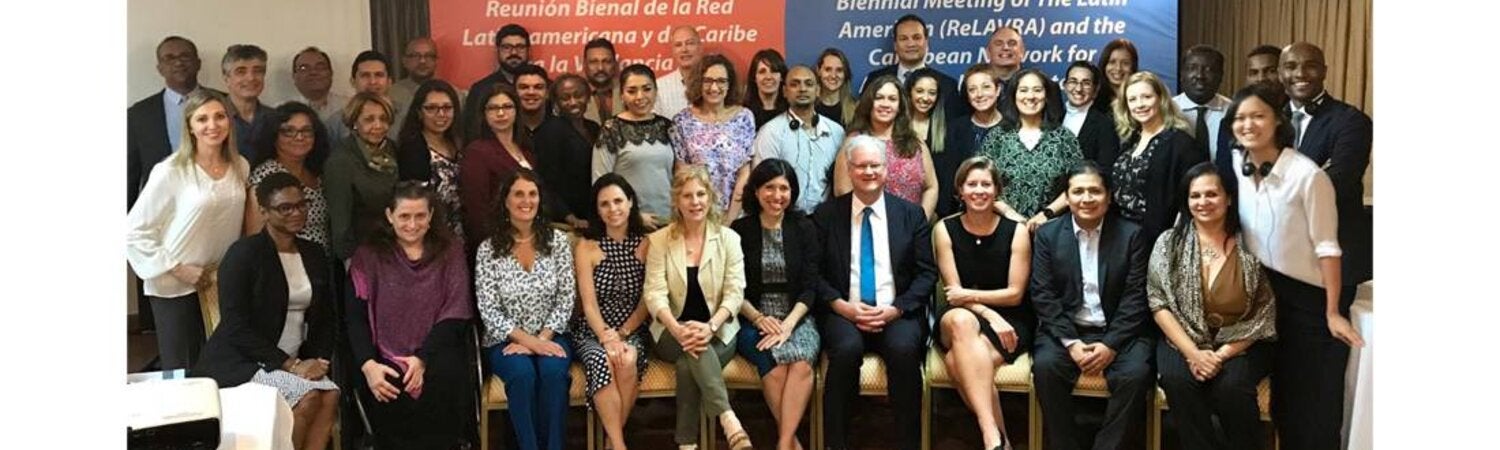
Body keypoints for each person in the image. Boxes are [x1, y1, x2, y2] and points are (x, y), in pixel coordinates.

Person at [1226, 82, 1363, 450]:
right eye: (1240, 118)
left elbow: (1328, 246)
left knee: (1311, 408)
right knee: (1281, 403)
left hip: (1309, 300)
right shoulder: (1239, 165)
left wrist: (1332, 312)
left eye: (1258, 116)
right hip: (1265, 293)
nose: (1248, 124)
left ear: (1277, 120)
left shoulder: (1308, 176)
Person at [194, 173, 339, 450]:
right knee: (307, 397)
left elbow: (325, 317)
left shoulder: (313, 253)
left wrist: (319, 361)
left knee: (330, 396)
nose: (296, 212)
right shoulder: (244, 254)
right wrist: (291, 365)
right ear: (264, 211)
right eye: (285, 208)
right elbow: (235, 326)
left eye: (302, 204)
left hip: (297, 359)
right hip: (244, 361)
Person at [812, 135, 936, 450]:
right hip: (844, 311)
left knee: (903, 350)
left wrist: (897, 308)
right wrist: (841, 306)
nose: (868, 172)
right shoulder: (826, 215)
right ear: (849, 170)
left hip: (897, 312)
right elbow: (813, 274)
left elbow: (926, 274)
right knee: (846, 350)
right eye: (861, 166)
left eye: (875, 165)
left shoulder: (911, 214)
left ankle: (908, 444)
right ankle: (836, 444)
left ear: (886, 169)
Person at [1149, 163, 1276, 450]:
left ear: (1228, 198)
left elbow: (1264, 311)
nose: (1203, 202)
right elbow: (1158, 303)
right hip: (1182, 340)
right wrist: (1194, 354)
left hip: (1243, 341)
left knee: (1232, 387)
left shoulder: (1254, 244)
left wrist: (1218, 357)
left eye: (1211, 194)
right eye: (1195, 196)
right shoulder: (1168, 243)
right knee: (1177, 380)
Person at [1030, 162, 1154, 450]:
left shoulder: (1132, 235)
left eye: (1095, 191)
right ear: (1067, 197)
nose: (1086, 198)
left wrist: (1110, 345)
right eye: (1078, 191)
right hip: (1067, 331)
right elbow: (1043, 295)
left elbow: (1136, 298)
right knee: (1046, 368)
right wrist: (1072, 343)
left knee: (1135, 375)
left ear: (1109, 197)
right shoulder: (1048, 235)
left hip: (1119, 332)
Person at [127, 90, 251, 370]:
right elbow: (133, 231)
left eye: (220, 117)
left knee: (221, 364)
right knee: (182, 368)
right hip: (176, 284)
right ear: (189, 126)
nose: (212, 125)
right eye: (202, 119)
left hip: (218, 283)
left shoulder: (240, 166)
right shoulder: (171, 171)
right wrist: (178, 268)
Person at [346, 182, 474, 449]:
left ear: (431, 216)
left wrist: (422, 359)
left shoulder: (449, 251)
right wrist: (369, 365)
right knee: (386, 386)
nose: (412, 224)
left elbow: (456, 311)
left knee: (446, 377)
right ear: (389, 215)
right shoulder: (368, 256)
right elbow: (355, 317)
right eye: (404, 216)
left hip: (436, 351)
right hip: (381, 356)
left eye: (420, 216)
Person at [642, 167, 755, 450]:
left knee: (688, 362)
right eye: (687, 196)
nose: (695, 202)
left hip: (719, 330)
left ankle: (687, 445)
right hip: (670, 331)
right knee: (695, 350)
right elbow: (654, 294)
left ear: (710, 197)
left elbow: (735, 292)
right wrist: (678, 329)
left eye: (701, 194)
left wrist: (711, 326)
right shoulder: (660, 240)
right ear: (676, 201)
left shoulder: (729, 239)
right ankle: (728, 418)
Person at [933, 157, 1033, 450]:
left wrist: (972, 299)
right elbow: (953, 294)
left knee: (958, 361)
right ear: (960, 191)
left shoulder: (1017, 231)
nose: (979, 190)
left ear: (997, 190)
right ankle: (992, 433)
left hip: (1012, 317)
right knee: (961, 321)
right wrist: (988, 313)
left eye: (986, 184)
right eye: (972, 184)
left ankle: (999, 441)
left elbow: (1015, 294)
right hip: (962, 314)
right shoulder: (944, 229)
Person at [476, 169, 577, 450]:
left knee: (554, 373)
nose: (526, 201)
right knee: (522, 375)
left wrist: (541, 340)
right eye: (518, 194)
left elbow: (566, 298)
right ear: (505, 200)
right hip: (505, 341)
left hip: (552, 335)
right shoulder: (488, 249)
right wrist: (528, 342)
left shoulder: (558, 242)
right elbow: (489, 309)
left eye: (532, 194)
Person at [730, 159, 822, 450]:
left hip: (797, 315)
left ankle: (783, 443)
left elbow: (810, 286)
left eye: (784, 188)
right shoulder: (740, 230)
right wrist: (758, 319)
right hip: (751, 316)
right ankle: (792, 443)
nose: (777, 195)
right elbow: (732, 288)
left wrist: (789, 325)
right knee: (778, 367)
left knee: (802, 363)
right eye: (769, 187)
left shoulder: (804, 227)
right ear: (756, 191)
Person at [1281, 41, 1374, 312]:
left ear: (1324, 71)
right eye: (1291, 66)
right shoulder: (1268, 118)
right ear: (1280, 73)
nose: (1300, 73)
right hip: (1280, 258)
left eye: (1310, 66)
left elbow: (1338, 182)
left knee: (1325, 336)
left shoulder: (1351, 121)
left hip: (1332, 258)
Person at [128, 35, 211, 332]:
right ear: (159, 67)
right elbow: (131, 173)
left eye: (185, 56)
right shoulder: (139, 114)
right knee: (169, 314)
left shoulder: (222, 102)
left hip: (213, 219)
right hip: (163, 224)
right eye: (169, 58)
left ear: (198, 62)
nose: (178, 62)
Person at [571, 174, 653, 450]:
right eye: (604, 204)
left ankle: (611, 443)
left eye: (618, 201)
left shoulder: (647, 243)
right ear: (597, 210)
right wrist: (607, 336)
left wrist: (623, 332)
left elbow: (647, 300)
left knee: (626, 359)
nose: (613, 209)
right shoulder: (586, 246)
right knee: (602, 360)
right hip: (593, 330)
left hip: (634, 328)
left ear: (630, 202)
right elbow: (589, 304)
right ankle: (618, 445)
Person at [978, 68, 1083, 231]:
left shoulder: (1064, 137)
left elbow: (1078, 183)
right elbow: (981, 183)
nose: (1031, 96)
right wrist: (1011, 214)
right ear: (1014, 96)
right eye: (1023, 90)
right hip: (1003, 226)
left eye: (1037, 90)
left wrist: (1047, 214)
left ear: (1046, 96)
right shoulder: (997, 137)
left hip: (1052, 228)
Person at [1109, 71, 1206, 240]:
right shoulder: (1129, 141)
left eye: (1146, 97)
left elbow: (1192, 199)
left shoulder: (1181, 143)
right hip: (1119, 237)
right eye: (1132, 99)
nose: (1139, 104)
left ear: (1161, 99)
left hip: (1156, 239)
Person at [833, 75, 939, 220]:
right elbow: (842, 191)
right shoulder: (854, 142)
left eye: (892, 99)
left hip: (912, 227)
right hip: (867, 226)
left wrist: (920, 222)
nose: (885, 104)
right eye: (879, 98)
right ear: (869, 103)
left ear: (900, 106)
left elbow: (931, 187)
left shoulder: (915, 141)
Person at [670, 54, 756, 224]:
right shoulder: (682, 121)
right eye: (708, 81)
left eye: (721, 81)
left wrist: (730, 219)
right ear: (698, 83)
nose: (714, 87)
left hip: (736, 217)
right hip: (696, 215)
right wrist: (703, 215)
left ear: (729, 84)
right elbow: (682, 174)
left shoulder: (744, 118)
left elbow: (744, 173)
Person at [752, 65, 846, 213]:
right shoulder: (770, 132)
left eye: (808, 84)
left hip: (825, 218)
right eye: (795, 84)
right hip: (783, 216)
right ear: (784, 91)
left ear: (818, 90)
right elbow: (762, 183)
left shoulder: (837, 132)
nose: (802, 89)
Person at [594, 64, 677, 226]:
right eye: (632, 91)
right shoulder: (611, 129)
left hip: (669, 220)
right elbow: (600, 183)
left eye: (647, 89)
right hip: (628, 222)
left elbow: (677, 176)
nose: (640, 96)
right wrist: (634, 216)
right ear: (622, 95)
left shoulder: (667, 126)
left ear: (656, 91)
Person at [461, 83, 536, 255]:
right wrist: (497, 247)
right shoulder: (477, 151)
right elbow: (476, 211)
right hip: (496, 246)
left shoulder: (526, 150)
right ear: (484, 114)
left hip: (528, 240)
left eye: (507, 107)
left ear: (517, 111)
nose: (501, 113)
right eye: (493, 108)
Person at [245, 101, 332, 248]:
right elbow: (255, 237)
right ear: (274, 136)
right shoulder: (264, 177)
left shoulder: (318, 172)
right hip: (284, 259)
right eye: (289, 131)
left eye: (306, 130)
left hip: (322, 259)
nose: (299, 137)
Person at [325, 92, 400, 260]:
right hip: (362, 251)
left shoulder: (394, 149)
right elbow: (340, 223)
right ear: (354, 122)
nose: (378, 125)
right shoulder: (340, 161)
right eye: (369, 119)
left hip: (397, 247)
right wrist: (352, 261)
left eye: (384, 119)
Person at [396, 79, 467, 242]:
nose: (441, 114)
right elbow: (413, 201)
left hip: (461, 234)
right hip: (430, 237)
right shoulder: (413, 149)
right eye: (431, 108)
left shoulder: (458, 142)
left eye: (447, 108)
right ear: (419, 112)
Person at [535, 73, 602, 230]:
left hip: (594, 213)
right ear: (556, 103)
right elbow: (546, 181)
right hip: (568, 220)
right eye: (565, 98)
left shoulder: (594, 128)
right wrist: (569, 217)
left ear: (588, 97)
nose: (573, 102)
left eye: (578, 95)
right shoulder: (551, 130)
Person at [860, 14, 962, 117]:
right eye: (903, 39)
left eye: (916, 37)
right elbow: (862, 119)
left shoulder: (947, 85)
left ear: (926, 42)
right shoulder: (875, 79)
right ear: (895, 45)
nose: (911, 44)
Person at [935, 64, 1002, 218]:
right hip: (961, 214)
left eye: (986, 87)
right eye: (972, 89)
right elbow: (948, 179)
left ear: (997, 90)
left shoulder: (1012, 128)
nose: (979, 94)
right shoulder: (955, 128)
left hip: (1003, 214)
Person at [465, 23, 532, 133]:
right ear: (497, 50)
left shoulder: (544, 88)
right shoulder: (480, 89)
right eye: (507, 47)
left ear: (528, 50)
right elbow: (471, 131)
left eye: (520, 47)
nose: (514, 52)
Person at [327, 50, 403, 144]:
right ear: (353, 82)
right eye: (365, 75)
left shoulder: (405, 115)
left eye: (379, 75)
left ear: (389, 82)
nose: (372, 82)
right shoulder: (337, 122)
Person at [1174, 45, 1232, 160]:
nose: (1200, 76)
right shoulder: (1167, 110)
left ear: (1221, 76)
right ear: (1181, 74)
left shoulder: (1233, 111)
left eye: (1208, 69)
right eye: (1192, 68)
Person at [1061, 61, 1122, 167]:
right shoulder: (1053, 116)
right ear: (1065, 86)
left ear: (1095, 89)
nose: (1079, 89)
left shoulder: (1105, 124)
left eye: (1086, 83)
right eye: (1073, 81)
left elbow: (1106, 167)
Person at [223, 44, 273, 159]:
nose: (251, 78)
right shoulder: (213, 118)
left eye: (257, 71)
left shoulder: (275, 118)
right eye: (241, 72)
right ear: (227, 79)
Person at [655, 25, 705, 118]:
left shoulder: (713, 83)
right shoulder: (659, 87)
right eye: (678, 45)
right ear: (673, 50)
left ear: (700, 47)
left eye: (690, 43)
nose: (684, 49)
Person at [290, 47, 349, 125]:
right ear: (294, 76)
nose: (313, 72)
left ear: (331, 73)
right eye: (304, 68)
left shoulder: (350, 107)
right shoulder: (284, 111)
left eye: (320, 67)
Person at [390, 37, 439, 111]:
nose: (422, 61)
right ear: (404, 61)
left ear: (436, 61)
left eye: (428, 56)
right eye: (415, 56)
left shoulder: (451, 93)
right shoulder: (391, 95)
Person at [745, 49, 789, 130]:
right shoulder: (744, 114)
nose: (768, 77)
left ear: (782, 77)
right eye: (762, 72)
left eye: (774, 71)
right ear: (754, 78)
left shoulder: (791, 111)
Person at [583, 38, 624, 124]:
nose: (600, 68)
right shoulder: (576, 94)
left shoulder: (626, 90)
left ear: (615, 64)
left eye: (607, 62)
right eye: (593, 62)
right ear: (584, 65)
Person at [1095, 38, 1139, 115]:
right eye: (1112, 62)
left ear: (1133, 67)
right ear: (1104, 65)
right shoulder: (1094, 99)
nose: (1118, 68)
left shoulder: (1141, 98)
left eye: (1125, 63)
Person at [815, 48, 857, 127]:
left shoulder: (856, 109)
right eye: (828, 69)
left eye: (839, 70)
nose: (833, 76)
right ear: (819, 71)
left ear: (845, 74)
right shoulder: (809, 106)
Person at [512, 64, 553, 144]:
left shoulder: (562, 130)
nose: (531, 92)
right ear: (514, 92)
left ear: (547, 93)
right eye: (524, 87)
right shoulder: (505, 129)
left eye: (538, 87)